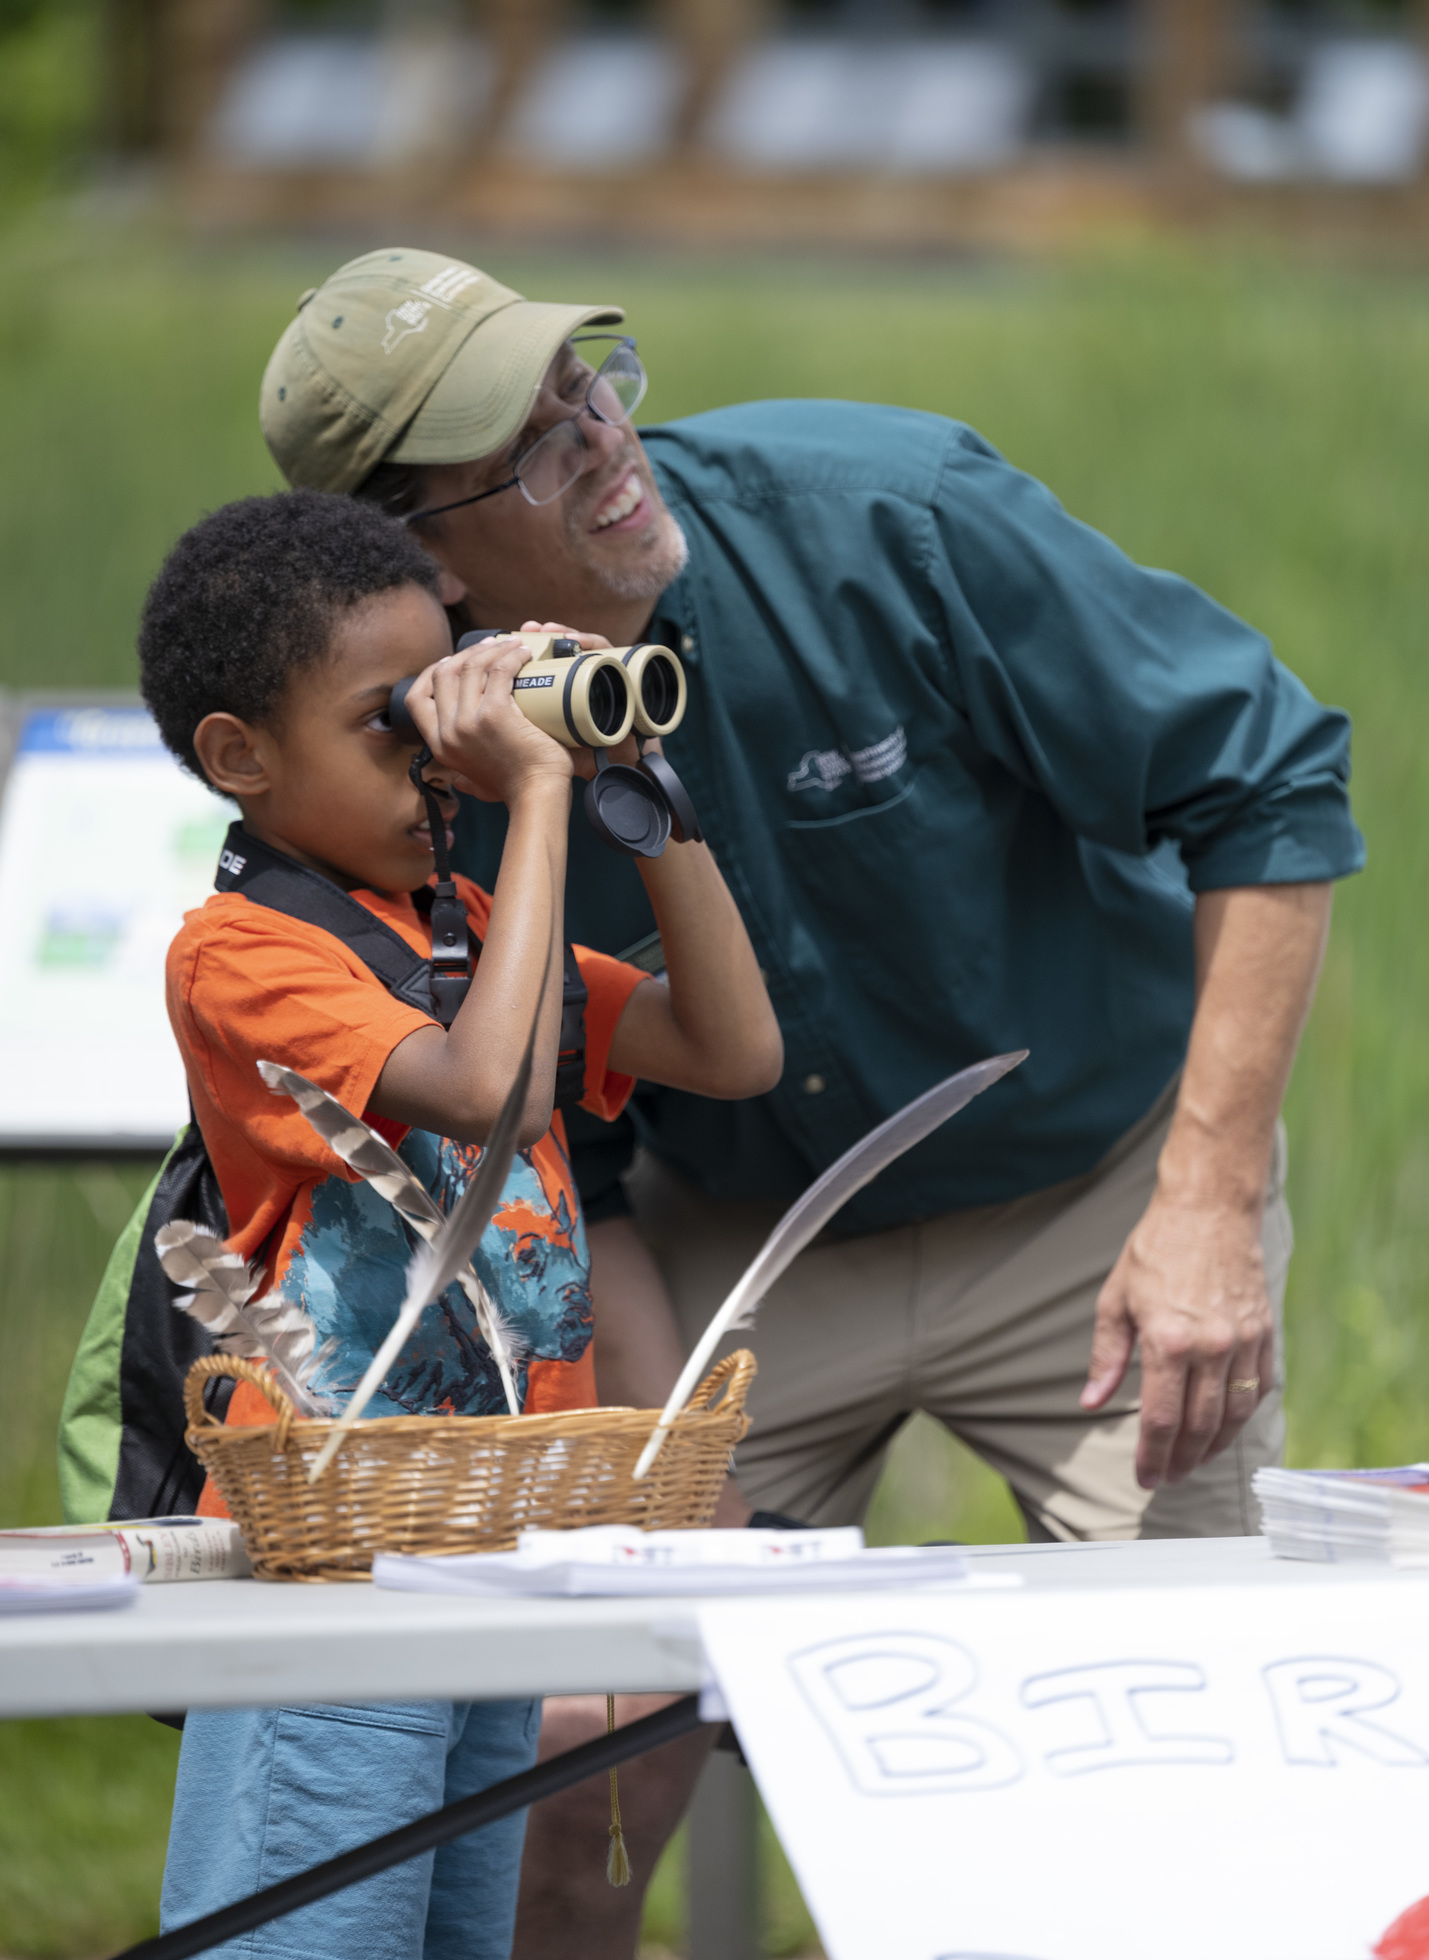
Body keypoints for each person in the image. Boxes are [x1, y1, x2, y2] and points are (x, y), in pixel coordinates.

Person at [258, 248, 1365, 1958]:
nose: (601, 439)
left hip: (1096, 1200)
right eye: (531, 442)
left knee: (1201, 1744)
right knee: (577, 1774)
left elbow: (1267, 776)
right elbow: (562, 1155)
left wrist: (1206, 1207)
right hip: (729, 1248)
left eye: (587, 382)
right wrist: (653, 1453)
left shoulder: (887, 510)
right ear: (410, 552)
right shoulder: (393, 765)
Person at [138, 488, 781, 1960]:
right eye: (391, 722)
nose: (442, 756)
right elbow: (481, 1089)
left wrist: (633, 779)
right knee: (317, 1935)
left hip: (486, 1540)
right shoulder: (237, 957)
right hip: (335, 1572)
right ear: (239, 755)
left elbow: (731, 1047)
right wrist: (541, 797)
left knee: (449, 1938)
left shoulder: (474, 934)